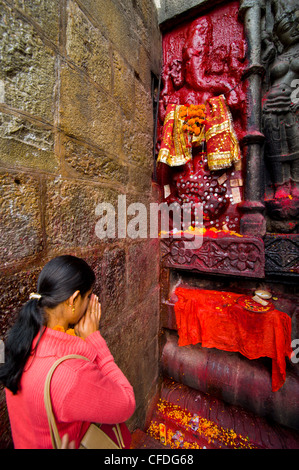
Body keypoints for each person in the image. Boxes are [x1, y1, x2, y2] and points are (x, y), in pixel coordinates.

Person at [0, 255, 135, 449]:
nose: (90, 303)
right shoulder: (71, 373)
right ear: (73, 300)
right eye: (88, 296)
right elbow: (126, 404)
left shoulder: (20, 342)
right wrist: (94, 339)